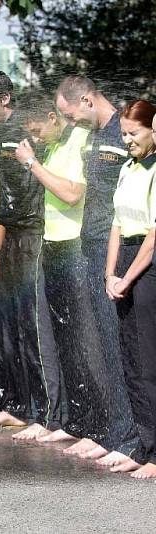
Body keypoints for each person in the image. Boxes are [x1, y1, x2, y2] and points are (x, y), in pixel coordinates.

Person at [13, 91, 111, 448]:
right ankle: (75, 422)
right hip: (52, 248)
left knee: (87, 344)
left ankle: (102, 427)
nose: (36, 139)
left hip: (75, 249)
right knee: (65, 345)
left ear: (53, 118)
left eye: (38, 130)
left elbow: (73, 194)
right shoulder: (54, 147)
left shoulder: (78, 141)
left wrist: (32, 164)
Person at [0, 71, 60, 432]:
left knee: (36, 329)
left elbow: (27, 196)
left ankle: (49, 415)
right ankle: (21, 406)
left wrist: (0, 247)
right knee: (14, 329)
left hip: (32, 238)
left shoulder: (23, 131)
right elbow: (3, 201)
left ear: (4, 99)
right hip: (10, 241)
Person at [55, 75, 139, 463]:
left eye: (71, 115)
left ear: (87, 100)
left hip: (116, 253)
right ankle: (112, 431)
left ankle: (132, 440)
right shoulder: (93, 134)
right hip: (90, 249)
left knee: (120, 347)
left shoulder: (123, 131)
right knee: (100, 345)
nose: (70, 123)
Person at [104, 99, 156, 477]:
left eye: (134, 133)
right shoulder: (126, 167)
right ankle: (143, 443)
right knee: (131, 359)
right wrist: (110, 273)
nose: (127, 140)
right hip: (124, 265)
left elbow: (153, 234)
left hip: (148, 265)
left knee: (149, 359)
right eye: (123, 133)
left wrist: (128, 277)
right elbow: (117, 225)